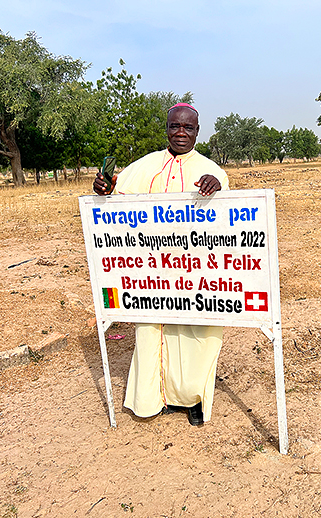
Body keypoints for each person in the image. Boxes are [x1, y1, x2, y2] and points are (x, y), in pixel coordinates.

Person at [93, 103, 228, 426]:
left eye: (188, 128)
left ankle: (193, 399)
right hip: (152, 270)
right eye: (174, 127)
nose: (181, 133)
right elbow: (115, 199)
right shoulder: (145, 165)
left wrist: (216, 187)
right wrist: (103, 190)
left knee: (198, 334)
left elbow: (227, 215)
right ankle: (153, 398)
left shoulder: (211, 170)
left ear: (198, 131)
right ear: (166, 129)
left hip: (196, 271)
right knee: (151, 332)